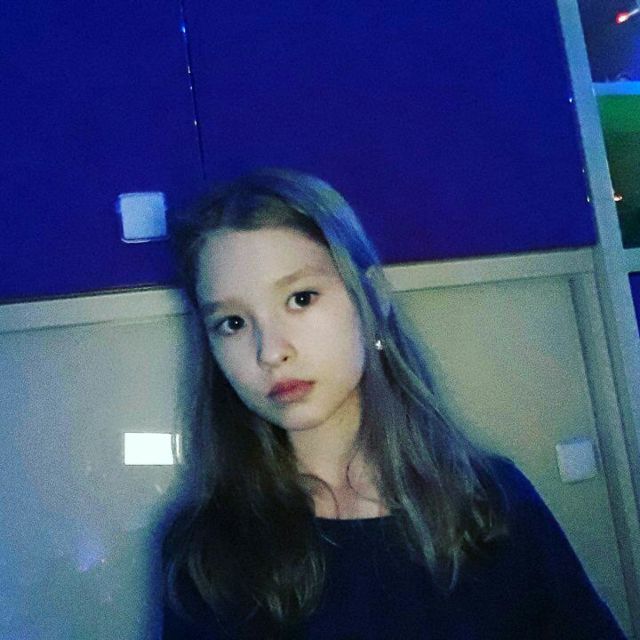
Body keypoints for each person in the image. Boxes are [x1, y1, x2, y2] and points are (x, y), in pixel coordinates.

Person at [161, 168, 627, 639]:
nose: (270, 351)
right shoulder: (205, 552)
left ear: (373, 298)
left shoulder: (490, 501)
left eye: (300, 299)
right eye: (233, 323)